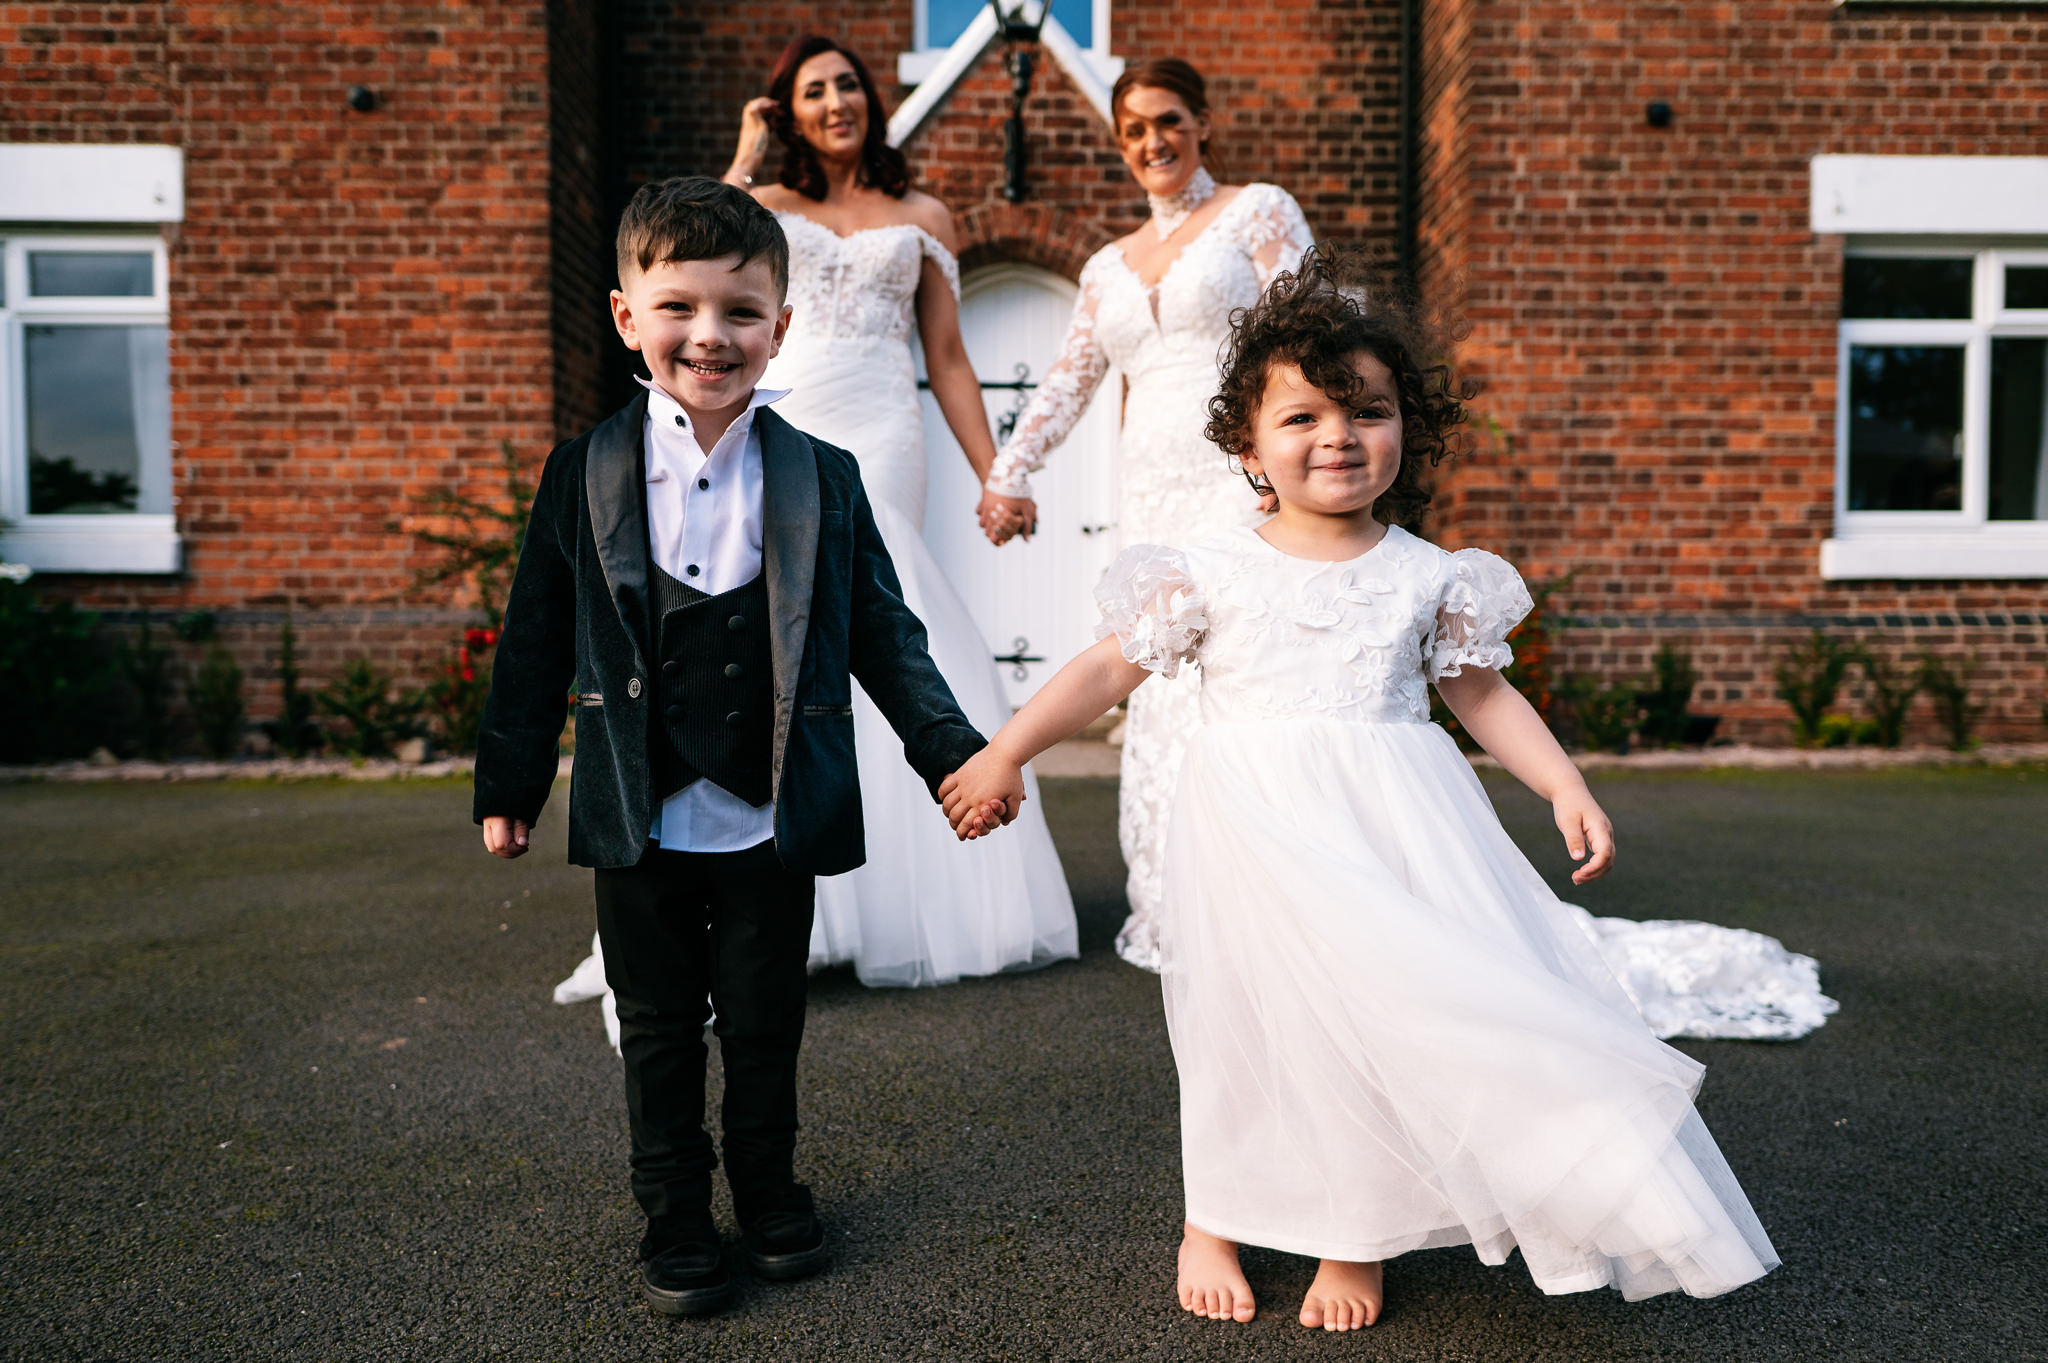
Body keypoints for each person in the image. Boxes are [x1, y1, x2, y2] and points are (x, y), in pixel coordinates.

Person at [941, 249, 1779, 1329]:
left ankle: (1353, 1231)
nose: (1335, 435)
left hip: (1392, 824)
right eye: (1300, 419)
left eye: (1365, 412)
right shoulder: (1207, 566)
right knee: (1234, 1024)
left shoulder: (1429, 573)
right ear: (1247, 447)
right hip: (1247, 826)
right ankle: (1215, 1214)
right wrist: (1005, 749)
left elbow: (1479, 698)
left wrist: (1560, 783)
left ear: (1404, 431)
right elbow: (1106, 668)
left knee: (1378, 1025)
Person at [475, 177, 1002, 1317]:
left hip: (772, 809)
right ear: (628, 317)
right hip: (637, 808)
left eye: (739, 312)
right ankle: (671, 1206)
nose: (708, 336)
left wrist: (952, 753)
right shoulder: (582, 472)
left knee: (765, 1018)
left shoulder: (823, 474)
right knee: (658, 1024)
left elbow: (885, 639)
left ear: (780, 326)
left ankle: (768, 1188)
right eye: (679, 308)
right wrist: (509, 780)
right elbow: (533, 640)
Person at [554, 35, 1075, 1018]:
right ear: (789, 110)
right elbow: (685, 248)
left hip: (881, 428)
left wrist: (995, 473)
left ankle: (894, 905)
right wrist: (746, 154)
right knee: (759, 619)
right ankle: (754, 886)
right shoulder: (769, 209)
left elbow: (951, 360)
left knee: (875, 614)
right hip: (780, 414)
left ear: (870, 101)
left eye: (844, 85)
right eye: (811, 91)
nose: (832, 101)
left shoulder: (924, 218)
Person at [978, 57, 1314, 972]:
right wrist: (1009, 470)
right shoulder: (1103, 266)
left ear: (1202, 123)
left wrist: (1289, 465)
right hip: (1150, 491)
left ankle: (1275, 893)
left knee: (1240, 673)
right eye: (1133, 130)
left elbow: (1309, 336)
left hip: (1241, 478)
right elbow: (1070, 378)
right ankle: (1175, 895)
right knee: (1155, 673)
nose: (1152, 142)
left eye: (1167, 121)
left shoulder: (1259, 213)